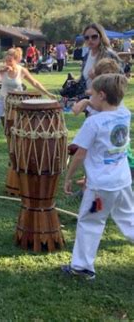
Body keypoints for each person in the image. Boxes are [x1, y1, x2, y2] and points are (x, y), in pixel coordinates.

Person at [62, 74, 133, 280]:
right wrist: (87, 102)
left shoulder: (93, 124)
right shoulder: (124, 113)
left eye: (91, 94)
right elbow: (105, 112)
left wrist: (68, 177)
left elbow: (80, 153)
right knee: (129, 220)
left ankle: (82, 267)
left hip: (100, 189)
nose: (88, 96)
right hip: (123, 182)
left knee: (91, 222)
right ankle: (82, 266)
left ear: (101, 95)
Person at [0, 47, 57, 149]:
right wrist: (0, 69)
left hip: (17, 101)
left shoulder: (22, 70)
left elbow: (34, 83)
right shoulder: (3, 67)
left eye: (10, 59)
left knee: (17, 124)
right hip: (2, 99)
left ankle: (21, 142)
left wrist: (47, 93)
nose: (8, 61)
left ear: (16, 59)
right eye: (6, 58)